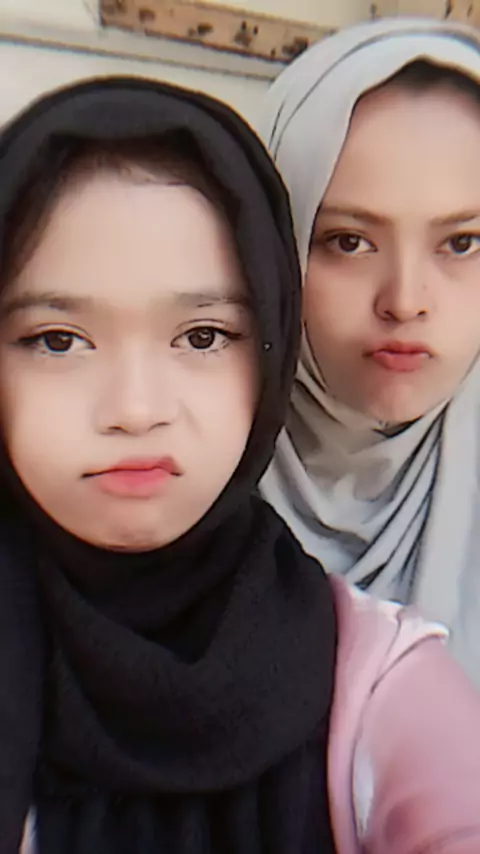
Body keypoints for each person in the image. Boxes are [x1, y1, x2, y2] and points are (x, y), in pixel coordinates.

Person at [0, 76, 478, 854]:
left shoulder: (374, 679)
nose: (136, 409)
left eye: (202, 336)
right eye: (58, 340)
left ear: (271, 346)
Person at [259, 17, 480, 687]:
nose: (405, 301)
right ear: (271, 247)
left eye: (462, 244)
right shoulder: (155, 476)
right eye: (349, 242)